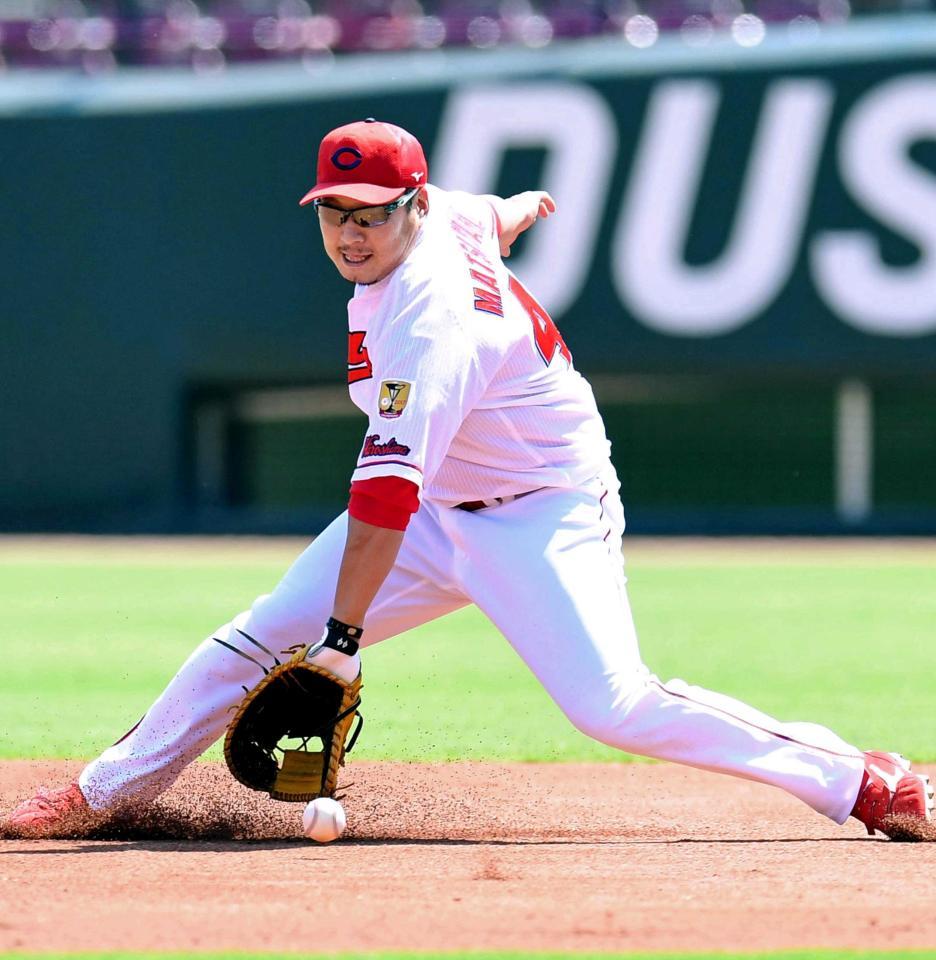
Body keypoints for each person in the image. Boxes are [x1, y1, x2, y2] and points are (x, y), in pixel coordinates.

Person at [6, 119, 932, 840]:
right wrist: (525, 206)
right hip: (445, 503)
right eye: (335, 211)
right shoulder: (444, 210)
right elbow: (487, 213)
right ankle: (100, 794)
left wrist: (339, 640)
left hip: (540, 511)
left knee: (613, 706)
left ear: (410, 208)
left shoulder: (431, 324)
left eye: (371, 214)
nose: (351, 231)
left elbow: (381, 504)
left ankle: (861, 778)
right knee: (250, 637)